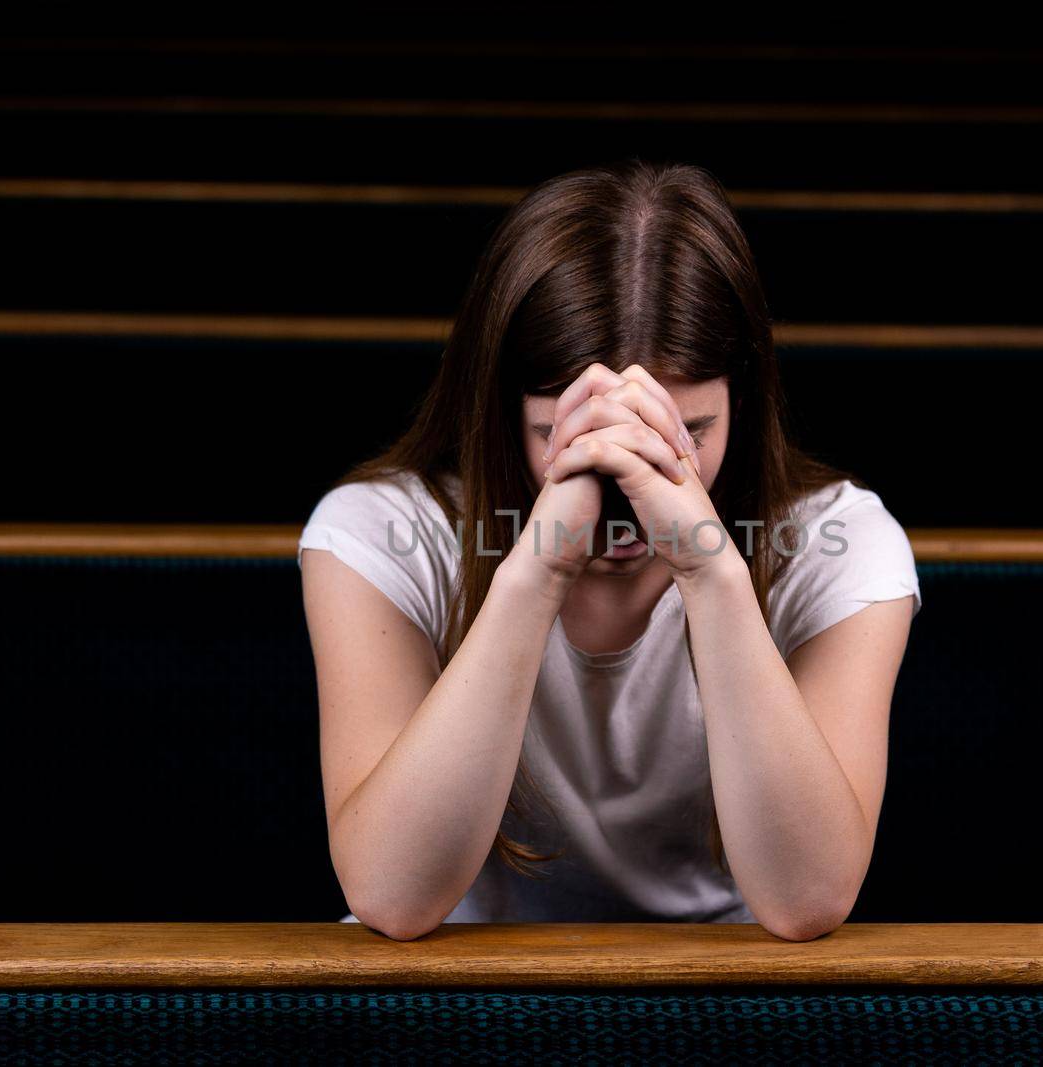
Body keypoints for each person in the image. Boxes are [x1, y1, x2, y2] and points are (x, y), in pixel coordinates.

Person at [298, 159, 921, 942]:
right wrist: (537, 568)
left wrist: (709, 568)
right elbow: (393, 894)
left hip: (726, 996)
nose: (634, 484)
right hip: (457, 998)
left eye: (684, 435)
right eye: (567, 435)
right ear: (499, 411)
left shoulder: (841, 543)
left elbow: (807, 898)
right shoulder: (377, 532)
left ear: (744, 402)